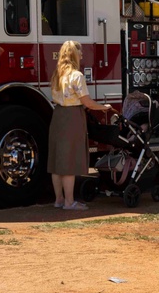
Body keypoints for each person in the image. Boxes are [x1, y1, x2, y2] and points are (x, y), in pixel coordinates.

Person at [48, 40, 113, 210]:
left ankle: (59, 200)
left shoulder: (57, 74)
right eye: (80, 52)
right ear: (74, 55)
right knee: (69, 161)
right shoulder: (77, 76)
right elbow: (87, 102)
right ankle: (70, 202)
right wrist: (103, 107)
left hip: (58, 115)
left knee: (57, 162)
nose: (82, 55)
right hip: (72, 117)